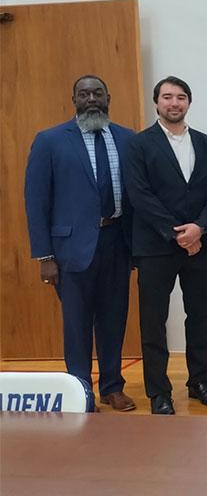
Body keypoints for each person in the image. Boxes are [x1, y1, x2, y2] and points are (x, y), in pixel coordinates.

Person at [24, 75, 136, 412]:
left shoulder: (128, 139)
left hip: (117, 241)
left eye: (97, 93)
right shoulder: (50, 141)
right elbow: (36, 200)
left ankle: (113, 387)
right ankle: (80, 391)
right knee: (76, 323)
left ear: (108, 97)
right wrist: (44, 255)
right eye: (84, 94)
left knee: (114, 318)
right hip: (71, 249)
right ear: (74, 99)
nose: (91, 99)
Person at [125, 76, 207, 415]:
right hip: (155, 247)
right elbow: (139, 194)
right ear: (156, 103)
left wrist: (198, 228)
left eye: (181, 97)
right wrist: (176, 233)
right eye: (167, 97)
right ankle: (158, 391)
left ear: (188, 103)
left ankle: (199, 381)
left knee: (200, 316)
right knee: (154, 321)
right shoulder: (139, 145)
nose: (174, 103)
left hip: (201, 245)